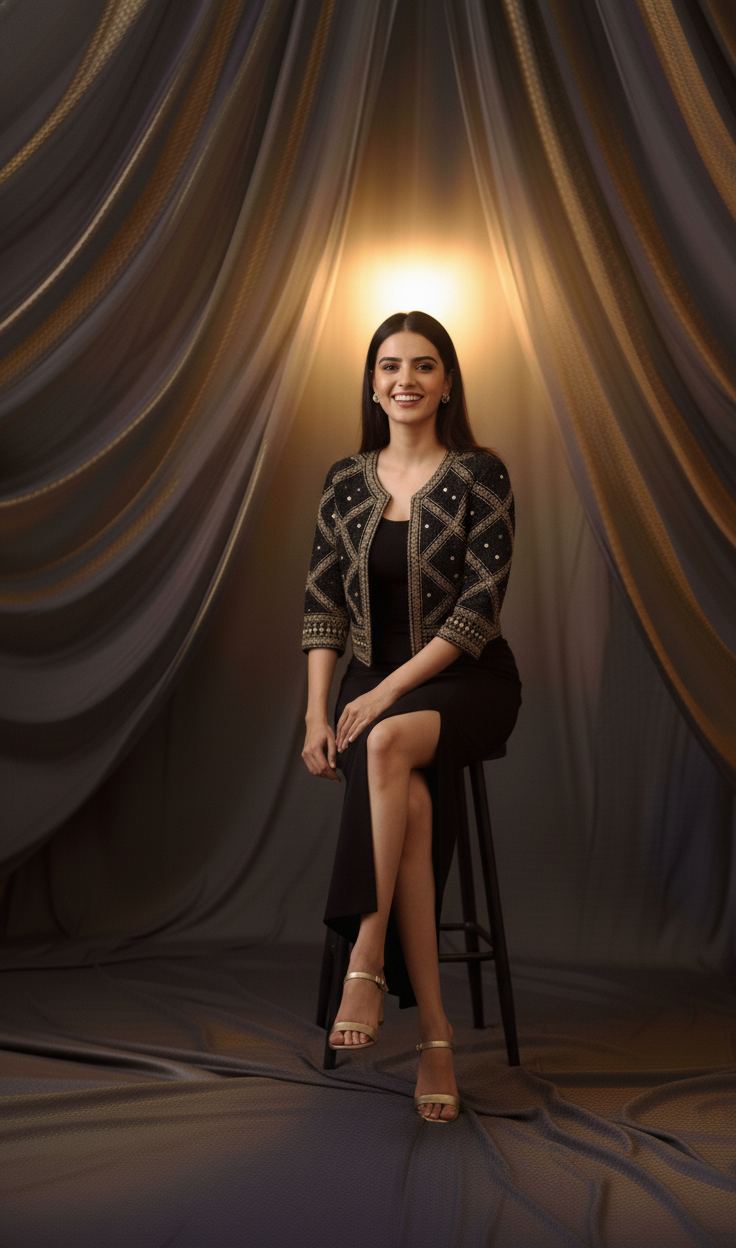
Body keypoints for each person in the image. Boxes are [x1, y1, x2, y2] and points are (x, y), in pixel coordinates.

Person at [301, 310, 521, 1122]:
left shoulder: (481, 475)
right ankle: (435, 1034)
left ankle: (366, 960)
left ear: (447, 383)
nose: (406, 380)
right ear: (372, 384)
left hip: (467, 678)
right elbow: (323, 604)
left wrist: (384, 693)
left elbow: (477, 612)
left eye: (424, 366)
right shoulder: (344, 481)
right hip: (367, 681)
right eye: (391, 366)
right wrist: (316, 713)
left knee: (387, 737)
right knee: (414, 805)